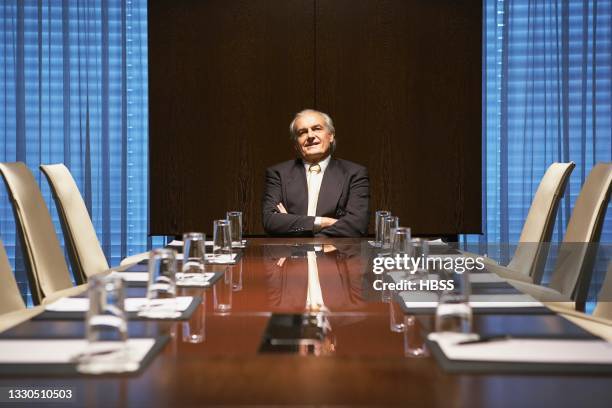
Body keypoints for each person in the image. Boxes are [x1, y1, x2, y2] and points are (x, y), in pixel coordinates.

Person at [262, 109, 369, 236]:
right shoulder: (278, 174)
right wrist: (322, 222)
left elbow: (357, 226)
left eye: (317, 128)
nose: (310, 136)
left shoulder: (355, 173)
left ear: (331, 136)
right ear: (296, 144)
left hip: (336, 254)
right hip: (288, 255)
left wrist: (293, 225)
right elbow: (270, 222)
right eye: (302, 132)